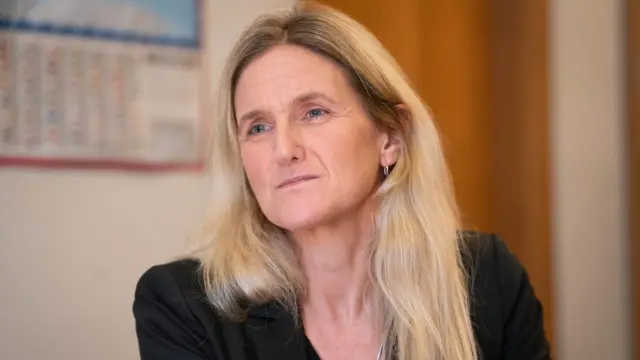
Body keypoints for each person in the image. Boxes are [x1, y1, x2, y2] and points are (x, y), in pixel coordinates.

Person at [132, 3, 551, 360]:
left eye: (314, 113)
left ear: (391, 137)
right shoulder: (183, 304)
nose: (283, 150)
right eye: (257, 128)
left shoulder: (487, 279)